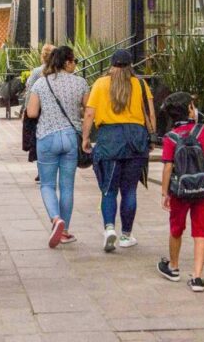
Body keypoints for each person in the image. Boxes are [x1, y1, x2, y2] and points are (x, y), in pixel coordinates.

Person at [157, 92, 204, 293]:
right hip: (203, 190)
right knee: (201, 232)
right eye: (192, 105)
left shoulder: (170, 138)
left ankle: (173, 267)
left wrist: (165, 193)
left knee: (176, 228)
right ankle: (197, 277)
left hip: (179, 191)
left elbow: (167, 167)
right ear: (189, 110)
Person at [82, 49, 156, 252]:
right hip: (136, 138)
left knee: (109, 189)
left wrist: (86, 138)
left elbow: (89, 113)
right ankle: (126, 235)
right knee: (130, 189)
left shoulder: (100, 84)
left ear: (112, 65)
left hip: (110, 139)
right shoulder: (140, 84)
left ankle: (109, 229)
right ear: (130, 64)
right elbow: (150, 112)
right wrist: (151, 136)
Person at [25, 46, 89, 248]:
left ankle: (55, 219)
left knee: (47, 185)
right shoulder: (81, 83)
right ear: (67, 62)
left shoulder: (41, 84)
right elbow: (89, 110)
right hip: (71, 138)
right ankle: (65, 231)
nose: (75, 65)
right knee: (67, 186)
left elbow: (32, 112)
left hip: (47, 136)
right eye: (74, 61)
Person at [24, 44, 56, 179]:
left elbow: (30, 92)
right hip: (53, 109)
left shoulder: (37, 71)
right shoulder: (58, 71)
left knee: (39, 139)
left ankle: (41, 169)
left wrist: (26, 110)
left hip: (38, 109)